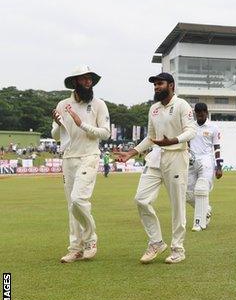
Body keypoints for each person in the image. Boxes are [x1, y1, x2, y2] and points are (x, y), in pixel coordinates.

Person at [115, 72, 196, 264]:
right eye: (155, 85)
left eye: (160, 84)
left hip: (176, 156)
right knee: (141, 199)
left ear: (171, 86)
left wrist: (173, 140)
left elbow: (192, 131)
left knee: (177, 205)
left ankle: (178, 249)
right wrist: (132, 152)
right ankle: (156, 242)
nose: (156, 87)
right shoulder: (154, 109)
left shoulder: (182, 105)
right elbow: (151, 137)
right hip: (156, 157)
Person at [51, 65, 110, 263]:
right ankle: (75, 248)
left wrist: (81, 123)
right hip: (69, 158)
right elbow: (55, 136)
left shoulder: (99, 104)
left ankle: (90, 240)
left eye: (90, 79)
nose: (88, 82)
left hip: (89, 156)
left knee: (78, 200)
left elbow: (105, 132)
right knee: (71, 206)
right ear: (76, 81)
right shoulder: (62, 104)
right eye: (84, 79)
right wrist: (59, 125)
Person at [186, 102, 223, 232]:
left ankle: (198, 223)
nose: (200, 116)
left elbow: (217, 148)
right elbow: (187, 144)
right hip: (192, 161)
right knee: (188, 194)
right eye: (198, 113)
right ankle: (205, 210)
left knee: (201, 189)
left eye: (202, 113)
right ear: (195, 113)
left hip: (207, 160)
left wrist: (219, 166)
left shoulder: (213, 127)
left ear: (206, 112)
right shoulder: (190, 127)